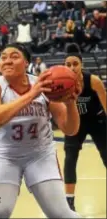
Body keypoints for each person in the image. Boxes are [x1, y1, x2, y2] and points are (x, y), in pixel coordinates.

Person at [0, 42, 82, 218]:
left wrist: (70, 102)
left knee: (61, 213)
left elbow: (70, 130)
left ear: (26, 63)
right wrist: (31, 95)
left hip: (40, 155)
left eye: (14, 56)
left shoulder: (45, 85)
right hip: (4, 157)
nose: (7, 61)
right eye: (3, 57)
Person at [63, 43, 107, 211]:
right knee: (70, 157)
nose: (72, 67)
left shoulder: (93, 81)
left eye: (75, 64)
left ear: (81, 65)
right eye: (68, 64)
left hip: (98, 122)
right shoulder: (61, 83)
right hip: (76, 123)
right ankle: (69, 202)